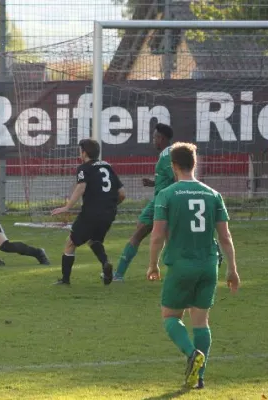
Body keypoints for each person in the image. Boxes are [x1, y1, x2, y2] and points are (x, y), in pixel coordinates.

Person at [147, 142, 240, 389]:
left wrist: (153, 264)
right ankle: (198, 378)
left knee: (170, 316)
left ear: (173, 166)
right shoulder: (213, 194)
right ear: (194, 163)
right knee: (201, 321)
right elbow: (225, 236)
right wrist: (232, 269)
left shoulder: (166, 195)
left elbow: (157, 235)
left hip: (180, 264)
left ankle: (191, 355)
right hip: (209, 264)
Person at [51, 139, 125, 285]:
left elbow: (81, 188)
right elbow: (122, 193)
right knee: (94, 240)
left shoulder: (84, 168)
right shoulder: (107, 166)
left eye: (80, 150)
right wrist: (110, 205)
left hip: (91, 213)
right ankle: (105, 264)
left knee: (70, 243)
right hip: (109, 213)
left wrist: (67, 207)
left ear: (84, 152)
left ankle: (65, 280)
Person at [114, 123, 174, 281]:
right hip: (158, 199)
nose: (153, 140)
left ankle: (119, 274)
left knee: (142, 234)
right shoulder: (167, 154)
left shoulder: (168, 155)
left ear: (161, 138)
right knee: (143, 228)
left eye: (155, 137)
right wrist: (153, 182)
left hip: (162, 201)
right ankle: (119, 274)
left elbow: (177, 177)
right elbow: (170, 178)